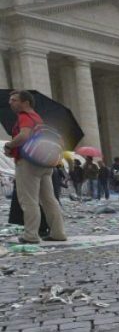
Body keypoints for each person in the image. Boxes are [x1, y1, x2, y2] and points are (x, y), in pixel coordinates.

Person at [3, 90, 67, 243]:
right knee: (49, 199)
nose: (10, 102)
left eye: (14, 100)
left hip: (29, 163)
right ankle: (58, 232)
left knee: (29, 200)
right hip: (44, 163)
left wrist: (10, 145)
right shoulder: (37, 118)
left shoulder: (24, 117)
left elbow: (24, 136)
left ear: (26, 103)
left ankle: (31, 235)